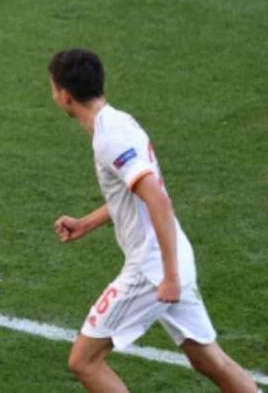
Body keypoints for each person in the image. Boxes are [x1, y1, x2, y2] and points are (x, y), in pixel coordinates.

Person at [48, 48, 259, 392]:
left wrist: (170, 276)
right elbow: (134, 195)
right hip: (170, 256)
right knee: (208, 359)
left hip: (153, 269)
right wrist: (87, 223)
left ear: (64, 95)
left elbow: (159, 201)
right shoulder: (117, 121)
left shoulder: (110, 138)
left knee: (84, 362)